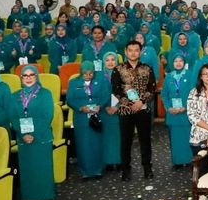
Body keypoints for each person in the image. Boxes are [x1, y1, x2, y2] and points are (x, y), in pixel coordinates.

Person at [111, 40, 157, 180]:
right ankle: (126, 170)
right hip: (125, 110)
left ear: (140, 52)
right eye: (130, 50)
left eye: (136, 50)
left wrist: (141, 102)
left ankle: (147, 168)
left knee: (145, 140)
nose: (133, 53)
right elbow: (116, 90)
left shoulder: (147, 68)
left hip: (143, 109)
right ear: (125, 52)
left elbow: (152, 88)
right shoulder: (118, 69)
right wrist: (130, 103)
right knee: (126, 141)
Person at [10, 64, 56, 200]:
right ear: (21, 78)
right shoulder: (15, 95)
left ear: (36, 76)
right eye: (25, 75)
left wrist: (33, 134)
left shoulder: (45, 93)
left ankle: (45, 195)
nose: (28, 78)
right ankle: (29, 196)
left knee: (41, 168)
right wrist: (23, 134)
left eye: (31, 75)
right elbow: (13, 116)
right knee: (27, 168)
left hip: (41, 136)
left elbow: (47, 116)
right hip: (23, 137)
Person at [66, 63, 106, 178]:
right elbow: (70, 99)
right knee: (83, 143)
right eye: (85, 74)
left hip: (96, 115)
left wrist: (100, 106)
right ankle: (85, 171)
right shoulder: (74, 82)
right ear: (81, 72)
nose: (88, 76)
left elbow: (105, 95)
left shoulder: (100, 81)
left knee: (97, 142)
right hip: (81, 116)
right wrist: (80, 107)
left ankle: (98, 169)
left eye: (91, 73)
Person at [161, 52, 194, 168]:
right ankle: (177, 161)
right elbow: (164, 94)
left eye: (180, 61)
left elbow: (193, 93)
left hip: (186, 113)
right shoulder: (169, 76)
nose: (178, 63)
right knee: (175, 139)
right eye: (175, 61)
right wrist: (168, 108)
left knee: (187, 137)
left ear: (184, 63)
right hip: (173, 114)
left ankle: (189, 160)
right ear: (172, 63)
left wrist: (185, 107)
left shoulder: (190, 75)